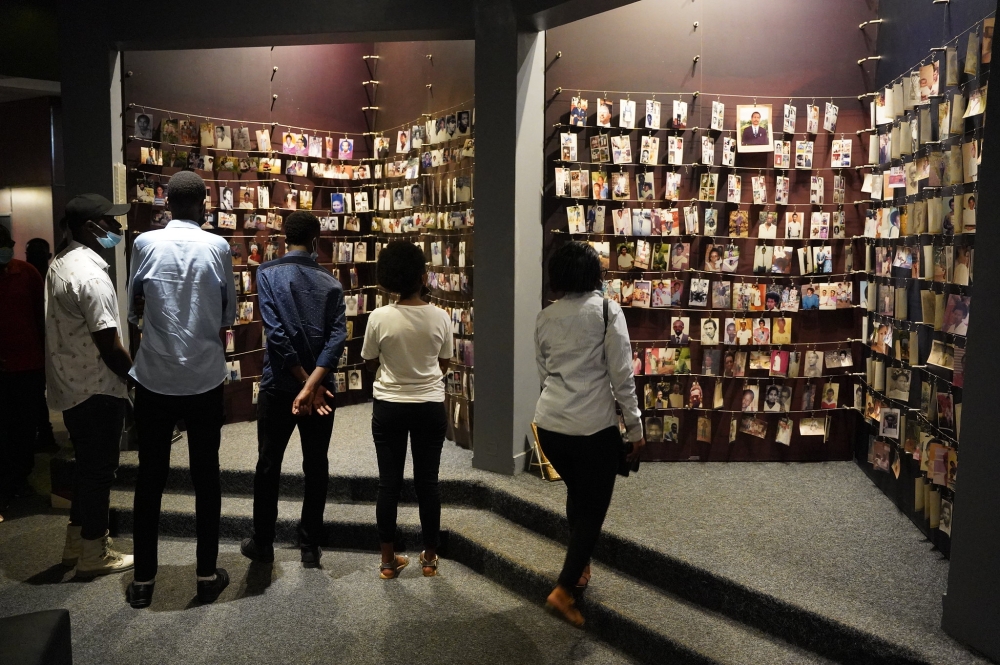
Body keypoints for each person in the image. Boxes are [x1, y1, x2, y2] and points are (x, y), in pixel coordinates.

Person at [126, 171, 237, 609]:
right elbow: (228, 314)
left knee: (149, 478)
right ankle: (207, 575)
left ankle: (143, 582)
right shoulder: (218, 247)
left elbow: (134, 305)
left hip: (154, 376)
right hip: (205, 378)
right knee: (205, 477)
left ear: (166, 203)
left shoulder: (144, 244)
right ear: (204, 203)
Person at [533, 241, 644, 627]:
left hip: (549, 428)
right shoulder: (606, 312)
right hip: (591, 429)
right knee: (593, 509)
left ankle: (579, 568)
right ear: (594, 274)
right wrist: (635, 428)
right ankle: (564, 591)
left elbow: (544, 374)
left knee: (578, 493)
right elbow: (622, 376)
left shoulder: (545, 317)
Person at [241, 212, 346, 568]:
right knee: (316, 465)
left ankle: (263, 543)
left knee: (269, 464)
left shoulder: (267, 273)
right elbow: (337, 339)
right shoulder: (331, 283)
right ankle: (309, 545)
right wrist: (313, 386)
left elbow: (276, 337)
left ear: (285, 237)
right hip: (321, 393)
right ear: (317, 240)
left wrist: (302, 383)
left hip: (279, 386)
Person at [46, 194, 134, 575]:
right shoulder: (91, 275)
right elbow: (109, 343)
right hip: (98, 387)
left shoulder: (61, 264)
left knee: (87, 470)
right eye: (109, 222)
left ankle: (76, 544)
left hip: (72, 386)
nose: (116, 229)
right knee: (99, 474)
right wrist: (135, 381)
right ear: (90, 228)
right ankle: (95, 553)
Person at [362, 241, 452, 580]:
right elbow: (443, 363)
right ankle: (429, 557)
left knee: (389, 483)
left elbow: (370, 362)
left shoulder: (379, 317)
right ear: (421, 275)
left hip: (389, 406)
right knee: (428, 482)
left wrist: (393, 369)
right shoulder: (441, 316)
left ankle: (388, 562)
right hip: (429, 405)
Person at [0, 225, 45, 512]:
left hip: (28, 365)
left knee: (25, 426)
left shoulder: (27, 273)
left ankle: (20, 478)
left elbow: (40, 319)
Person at [24, 238, 57, 451]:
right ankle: (45, 435)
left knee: (33, 396)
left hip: (31, 343)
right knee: (37, 395)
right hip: (46, 340)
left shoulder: (27, 274)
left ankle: (43, 435)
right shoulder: (49, 274)